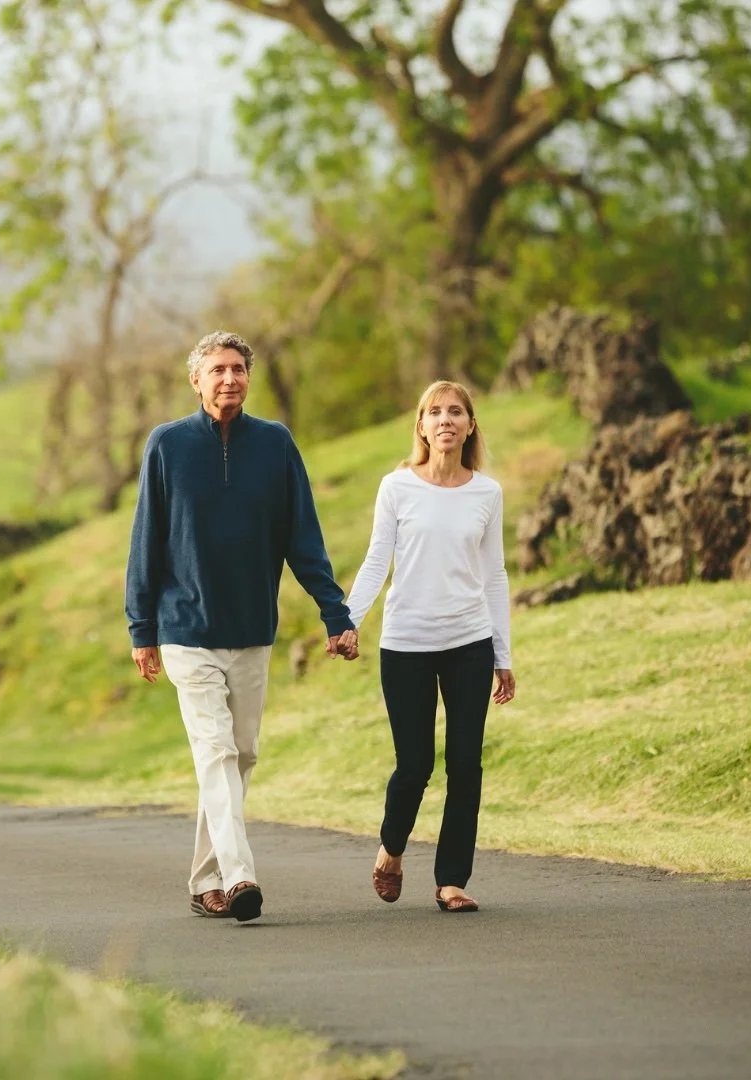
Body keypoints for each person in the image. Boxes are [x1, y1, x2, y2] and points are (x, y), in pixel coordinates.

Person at [125, 330, 357, 923]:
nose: (229, 379)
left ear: (248, 378)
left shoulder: (275, 444)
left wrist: (335, 612)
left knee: (241, 754)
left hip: (252, 628)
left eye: (238, 369)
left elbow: (302, 537)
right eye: (218, 370)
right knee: (215, 750)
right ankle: (240, 874)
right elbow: (146, 539)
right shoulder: (167, 445)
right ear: (196, 380)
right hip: (185, 629)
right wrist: (141, 627)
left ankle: (206, 878)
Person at [342, 379, 516, 913]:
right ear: (421, 426)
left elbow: (495, 575)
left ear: (469, 426)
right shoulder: (397, 487)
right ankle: (391, 850)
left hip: (469, 641)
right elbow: (377, 561)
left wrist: (502, 655)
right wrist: (347, 621)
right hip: (406, 643)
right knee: (414, 765)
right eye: (434, 412)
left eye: (456, 411)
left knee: (466, 763)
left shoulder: (486, 493)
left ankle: (451, 881)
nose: (445, 420)